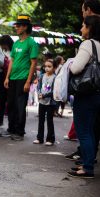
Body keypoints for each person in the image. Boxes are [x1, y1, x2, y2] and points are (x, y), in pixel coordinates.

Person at [67, 15, 100, 179]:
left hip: (86, 94)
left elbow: (76, 69)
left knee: (84, 132)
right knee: (92, 131)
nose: (81, 29)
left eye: (83, 26)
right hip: (97, 94)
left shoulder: (88, 44)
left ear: (90, 28)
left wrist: (70, 63)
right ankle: (87, 163)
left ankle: (87, 168)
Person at [4, 14, 39, 141]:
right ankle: (11, 129)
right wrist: (7, 77)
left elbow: (34, 63)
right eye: (16, 25)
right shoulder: (16, 43)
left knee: (20, 106)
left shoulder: (32, 43)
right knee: (11, 105)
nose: (16, 27)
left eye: (18, 25)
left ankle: (20, 132)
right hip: (12, 78)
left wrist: (28, 81)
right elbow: (11, 61)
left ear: (25, 27)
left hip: (23, 78)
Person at [33, 59, 56, 146]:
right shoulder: (42, 76)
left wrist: (44, 95)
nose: (47, 68)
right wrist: (39, 94)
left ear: (54, 68)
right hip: (42, 101)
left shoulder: (55, 77)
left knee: (50, 120)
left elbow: (54, 91)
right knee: (41, 120)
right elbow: (38, 87)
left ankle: (50, 139)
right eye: (45, 66)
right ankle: (40, 138)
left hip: (50, 102)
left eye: (49, 66)